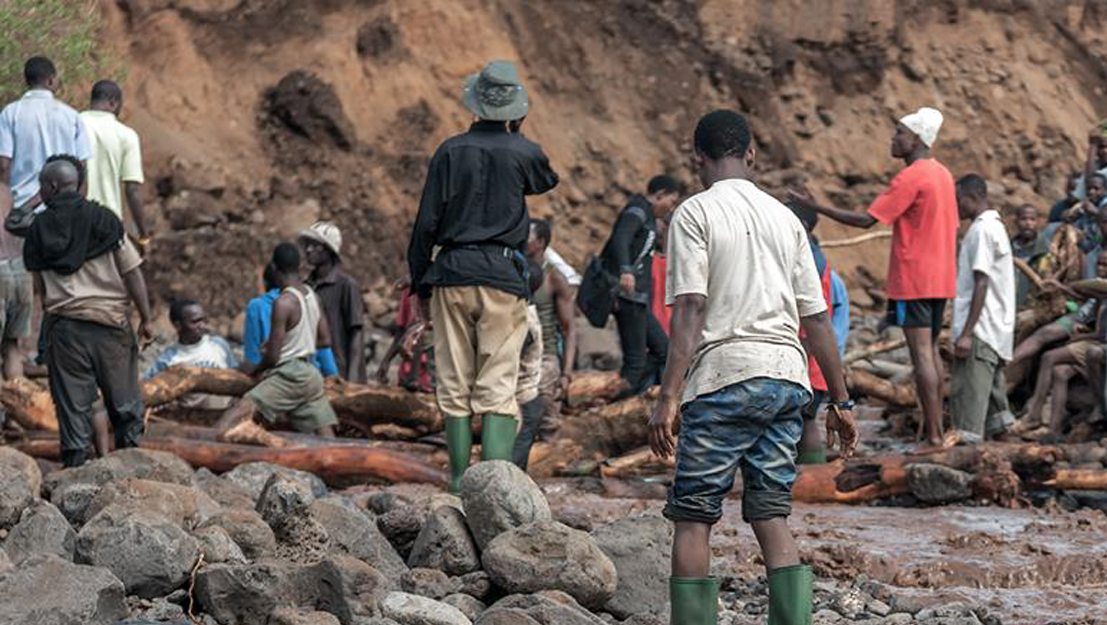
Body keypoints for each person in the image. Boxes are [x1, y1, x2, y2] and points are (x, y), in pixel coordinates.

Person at [649, 110, 857, 625]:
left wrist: (667, 396)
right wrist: (842, 400)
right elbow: (817, 320)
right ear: (751, 154)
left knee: (695, 517)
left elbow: (692, 308)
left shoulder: (694, 214)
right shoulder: (786, 220)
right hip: (786, 380)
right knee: (771, 514)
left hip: (723, 378)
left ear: (697, 158)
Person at [407, 60, 559, 492]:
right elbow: (545, 179)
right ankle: (493, 491)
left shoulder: (450, 151)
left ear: (474, 105)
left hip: (451, 273)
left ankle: (457, 483)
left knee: (453, 384)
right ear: (515, 110)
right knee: (497, 387)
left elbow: (425, 225)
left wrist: (421, 284)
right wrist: (516, 132)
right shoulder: (523, 152)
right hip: (502, 278)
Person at [789, 107, 957, 447]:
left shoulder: (912, 176)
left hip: (915, 278)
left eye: (900, 133)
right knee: (933, 354)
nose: (893, 139)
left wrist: (818, 206)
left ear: (917, 139)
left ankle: (934, 436)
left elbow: (868, 219)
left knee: (921, 353)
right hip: (941, 277)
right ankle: (934, 430)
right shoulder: (943, 175)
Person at [25, 158, 151, 468]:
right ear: (78, 185)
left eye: (42, 186)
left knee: (73, 407)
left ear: (53, 186)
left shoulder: (38, 228)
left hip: (66, 329)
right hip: (110, 325)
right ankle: (131, 468)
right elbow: (132, 272)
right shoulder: (105, 220)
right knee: (124, 403)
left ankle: (75, 468)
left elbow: (40, 286)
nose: (40, 192)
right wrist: (146, 318)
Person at [0, 57, 91, 381]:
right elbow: (82, 170)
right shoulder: (70, 115)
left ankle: (26, 358)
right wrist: (80, 210)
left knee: (25, 291)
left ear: (27, 80)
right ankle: (54, 357)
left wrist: (8, 205)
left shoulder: (11, 113)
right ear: (52, 80)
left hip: (21, 215)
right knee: (59, 289)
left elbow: (5, 168)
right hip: (62, 212)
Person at [215, 243, 338, 445]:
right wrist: (296, 341)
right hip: (311, 375)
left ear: (273, 267)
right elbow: (325, 340)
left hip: (290, 374)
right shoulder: (312, 295)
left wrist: (254, 369)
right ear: (299, 266)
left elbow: (272, 357)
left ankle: (218, 451)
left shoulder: (283, 303)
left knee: (233, 417)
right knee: (326, 437)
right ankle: (339, 467)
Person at [947, 175, 1016, 445]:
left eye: (957, 201)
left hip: (981, 329)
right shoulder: (994, 227)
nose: (956, 207)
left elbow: (981, 282)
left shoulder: (982, 230)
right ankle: (1013, 463)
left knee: (968, 406)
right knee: (996, 405)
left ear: (969, 197)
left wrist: (966, 333)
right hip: (994, 328)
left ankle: (964, 465)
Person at [601, 174, 681, 397]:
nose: (670, 207)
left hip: (637, 300)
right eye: (671, 201)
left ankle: (627, 397)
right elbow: (621, 237)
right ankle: (617, 404)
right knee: (636, 362)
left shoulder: (647, 214)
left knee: (662, 349)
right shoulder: (637, 211)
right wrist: (625, 270)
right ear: (660, 195)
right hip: (629, 297)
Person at [1021, 253, 1107, 437]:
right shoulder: (1100, 293)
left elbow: (1101, 334)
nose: (1101, 269)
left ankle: (1034, 414)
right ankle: (1054, 429)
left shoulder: (1103, 288)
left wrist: (1078, 338)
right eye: (1099, 265)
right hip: (1094, 340)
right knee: (1060, 372)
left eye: (1105, 266)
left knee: (1049, 357)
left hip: (1099, 344)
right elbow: (1084, 297)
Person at [787, 201, 836, 464]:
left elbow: (814, 316)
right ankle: (810, 479)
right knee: (806, 420)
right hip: (812, 358)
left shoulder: (810, 261)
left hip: (808, 358)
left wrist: (798, 358)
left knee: (804, 420)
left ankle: (810, 480)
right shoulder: (812, 256)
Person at [525, 218, 576, 439]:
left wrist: (566, 373)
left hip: (546, 356)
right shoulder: (513, 270)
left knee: (546, 417)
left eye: (527, 236)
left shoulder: (554, 277)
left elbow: (569, 329)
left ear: (541, 242)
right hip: (517, 355)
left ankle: (549, 461)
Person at [80, 80, 149, 242]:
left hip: (73, 221)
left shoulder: (73, 124)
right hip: (108, 224)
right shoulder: (127, 135)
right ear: (113, 103)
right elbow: (132, 191)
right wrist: (143, 234)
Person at [243, 262, 338, 377]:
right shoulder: (309, 299)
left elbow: (253, 357)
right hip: (311, 375)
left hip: (278, 377)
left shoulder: (257, 306)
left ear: (266, 282)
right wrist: (334, 376)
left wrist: (252, 371)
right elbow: (324, 350)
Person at [300, 221, 366, 383]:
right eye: (308, 244)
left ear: (330, 251)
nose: (308, 250)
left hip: (340, 372)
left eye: (316, 246)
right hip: (315, 371)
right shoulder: (306, 287)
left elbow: (356, 335)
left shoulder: (346, 285)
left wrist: (352, 379)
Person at [145, 299, 237, 409]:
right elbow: (147, 389)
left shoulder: (219, 345)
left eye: (203, 320)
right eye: (195, 322)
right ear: (178, 325)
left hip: (228, 415)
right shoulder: (167, 360)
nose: (202, 325)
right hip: (192, 419)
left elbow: (236, 376)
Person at [512, 259, 546, 469]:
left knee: (511, 466)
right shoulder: (527, 311)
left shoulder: (525, 319)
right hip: (528, 400)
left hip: (524, 402)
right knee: (516, 465)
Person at [376, 278, 435, 393]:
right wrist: (386, 361)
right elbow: (401, 330)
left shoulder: (446, 290)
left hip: (435, 377)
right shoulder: (409, 289)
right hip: (409, 374)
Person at [1011, 204, 1050, 308]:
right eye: (1023, 219)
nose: (1028, 223)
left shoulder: (1046, 250)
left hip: (1033, 309)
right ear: (1016, 221)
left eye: (1032, 219)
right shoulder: (1007, 249)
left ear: (1038, 222)